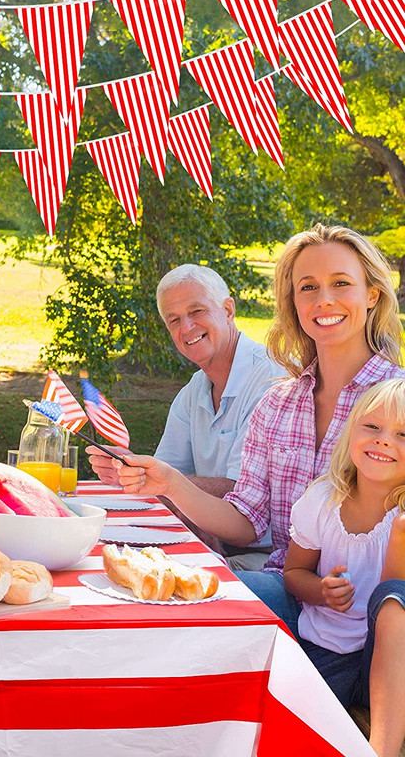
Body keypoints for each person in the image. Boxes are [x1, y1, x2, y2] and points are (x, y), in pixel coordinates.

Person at [113, 224, 405, 635]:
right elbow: (246, 522)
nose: (324, 300)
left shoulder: (399, 402)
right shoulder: (277, 402)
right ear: (294, 302)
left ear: (371, 294)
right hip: (286, 590)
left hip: (372, 616)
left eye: (341, 283)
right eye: (307, 287)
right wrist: (173, 484)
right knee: (164, 602)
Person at [87, 264, 280, 566]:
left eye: (197, 311)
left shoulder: (270, 379)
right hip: (211, 544)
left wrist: (158, 479)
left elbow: (240, 491)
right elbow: (167, 477)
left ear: (228, 310)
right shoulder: (194, 390)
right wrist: (132, 471)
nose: (186, 327)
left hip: (265, 561)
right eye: (174, 319)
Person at [284, 379, 405, 757]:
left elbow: (393, 602)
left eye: (403, 433)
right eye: (372, 426)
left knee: (390, 597)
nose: (384, 440)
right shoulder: (322, 499)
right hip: (326, 650)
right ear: (350, 429)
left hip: (388, 664)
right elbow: (292, 574)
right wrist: (320, 590)